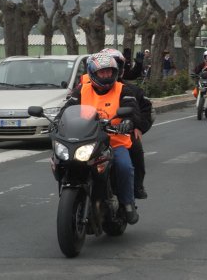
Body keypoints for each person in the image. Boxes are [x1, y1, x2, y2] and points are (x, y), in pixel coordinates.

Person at [57, 53, 142, 224]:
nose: (106, 76)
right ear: (93, 73)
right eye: (102, 72)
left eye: (109, 72)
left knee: (124, 166)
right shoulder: (82, 89)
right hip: (86, 140)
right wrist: (57, 121)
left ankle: (127, 203)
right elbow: (68, 107)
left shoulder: (122, 89)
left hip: (114, 140)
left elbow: (132, 109)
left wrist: (128, 122)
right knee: (61, 160)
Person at [102, 48, 153, 200]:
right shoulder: (85, 88)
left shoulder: (130, 90)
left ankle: (137, 186)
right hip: (92, 134)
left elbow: (144, 110)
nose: (107, 72)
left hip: (121, 134)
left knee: (135, 147)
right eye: (103, 69)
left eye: (112, 68)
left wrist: (138, 127)